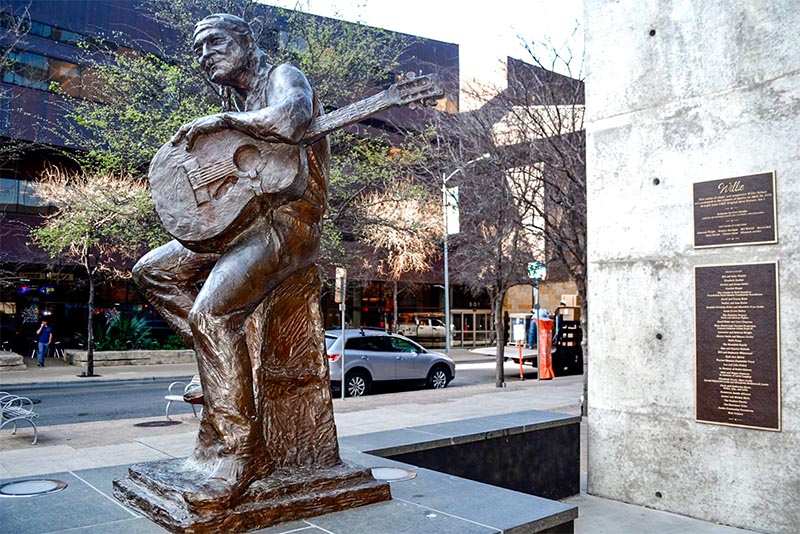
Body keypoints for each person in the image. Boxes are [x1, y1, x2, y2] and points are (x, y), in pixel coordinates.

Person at [132, 13, 330, 504]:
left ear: (247, 42)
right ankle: (218, 371)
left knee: (212, 313)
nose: (206, 55)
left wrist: (223, 122)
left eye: (215, 43)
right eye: (198, 49)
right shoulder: (233, 99)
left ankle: (240, 452)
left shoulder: (282, 76)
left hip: (291, 224)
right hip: (240, 223)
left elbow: (288, 118)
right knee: (151, 271)